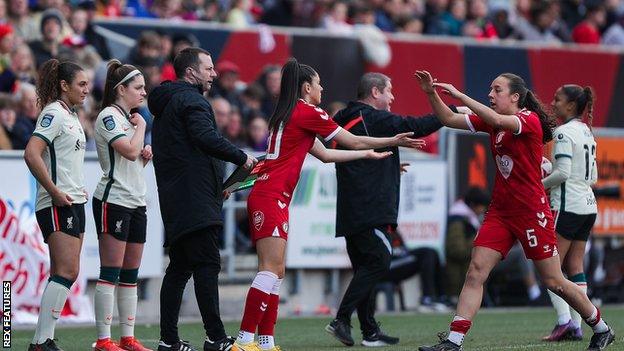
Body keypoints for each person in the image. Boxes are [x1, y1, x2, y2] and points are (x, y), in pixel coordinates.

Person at [413, 70, 615, 351]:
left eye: (497, 90)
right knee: (475, 271)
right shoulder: (494, 122)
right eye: (490, 90)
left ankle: (601, 327)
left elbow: (496, 119)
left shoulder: (527, 120)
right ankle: (453, 341)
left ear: (515, 97)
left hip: (531, 211)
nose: (490, 95)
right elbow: (447, 119)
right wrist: (430, 93)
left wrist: (460, 95)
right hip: (501, 212)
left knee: (555, 281)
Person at [233, 58, 424, 351]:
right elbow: (351, 140)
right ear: (307, 87)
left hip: (272, 195)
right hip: (270, 196)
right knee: (270, 270)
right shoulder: (308, 112)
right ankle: (245, 340)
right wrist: (390, 141)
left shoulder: (291, 113)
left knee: (276, 271)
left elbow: (326, 155)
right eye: (319, 83)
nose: (323, 88)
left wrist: (368, 155)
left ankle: (266, 341)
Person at [324, 72, 452, 347]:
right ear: (375, 93)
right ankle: (341, 319)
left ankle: (369, 331)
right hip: (370, 209)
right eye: (389, 91)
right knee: (380, 259)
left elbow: (358, 156)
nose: (392, 97)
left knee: (364, 269)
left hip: (351, 211)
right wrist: (452, 111)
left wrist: (391, 166)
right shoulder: (373, 117)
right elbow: (415, 126)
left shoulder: (345, 117)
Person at [148, 47, 257, 351]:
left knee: (180, 268)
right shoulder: (192, 100)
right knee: (207, 263)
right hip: (194, 199)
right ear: (191, 72)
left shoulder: (169, 102)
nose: (214, 74)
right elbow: (204, 139)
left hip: (179, 197)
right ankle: (216, 338)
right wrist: (241, 157)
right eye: (208, 69)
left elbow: (190, 149)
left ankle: (168, 341)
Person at [24, 59, 89, 351]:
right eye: (82, 84)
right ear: (64, 86)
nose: (87, 90)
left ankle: (43, 339)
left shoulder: (71, 115)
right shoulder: (53, 113)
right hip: (57, 203)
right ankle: (41, 341)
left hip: (75, 201)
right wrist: (54, 190)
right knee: (66, 270)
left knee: (65, 272)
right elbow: (31, 153)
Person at [91, 60, 152, 351]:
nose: (143, 92)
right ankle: (104, 339)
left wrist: (145, 152)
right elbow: (128, 151)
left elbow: (134, 153)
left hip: (135, 200)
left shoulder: (129, 119)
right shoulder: (109, 116)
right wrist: (140, 130)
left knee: (130, 274)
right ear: (121, 89)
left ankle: (127, 337)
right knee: (111, 271)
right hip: (113, 199)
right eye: (138, 87)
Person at [541, 85, 598, 342]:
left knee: (549, 268)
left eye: (557, 99)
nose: (552, 103)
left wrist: (538, 184)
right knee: (575, 267)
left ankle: (566, 321)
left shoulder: (563, 133)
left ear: (571, 106)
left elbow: (562, 174)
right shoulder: (586, 131)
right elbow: (592, 176)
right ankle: (577, 325)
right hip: (588, 204)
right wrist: (551, 168)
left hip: (568, 206)